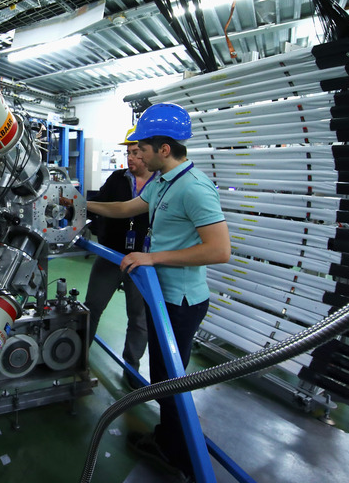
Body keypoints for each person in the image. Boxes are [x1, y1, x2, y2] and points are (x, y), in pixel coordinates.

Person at [86, 102, 231, 480]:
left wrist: (154, 257)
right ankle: (168, 439)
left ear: (164, 149)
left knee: (172, 380)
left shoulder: (195, 188)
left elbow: (220, 249)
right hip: (161, 294)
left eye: (143, 148)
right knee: (164, 375)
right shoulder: (164, 182)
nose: (137, 154)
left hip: (180, 301)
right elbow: (124, 208)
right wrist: (79, 203)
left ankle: (181, 458)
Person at [84, 127, 157, 389]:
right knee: (91, 307)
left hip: (143, 263)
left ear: (149, 153)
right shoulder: (117, 179)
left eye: (136, 152)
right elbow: (100, 206)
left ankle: (131, 367)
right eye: (128, 152)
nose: (131, 158)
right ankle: (79, 357)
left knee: (139, 318)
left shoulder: (161, 184)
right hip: (111, 255)